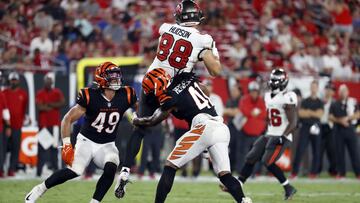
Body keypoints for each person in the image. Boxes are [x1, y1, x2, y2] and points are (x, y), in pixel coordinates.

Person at [116, 0, 222, 198]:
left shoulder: (165, 28)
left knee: (139, 129)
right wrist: (208, 52)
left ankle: (124, 170)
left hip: (150, 82)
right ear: (197, 17)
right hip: (171, 88)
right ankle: (208, 148)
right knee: (201, 102)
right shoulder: (203, 39)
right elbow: (215, 70)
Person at [25, 62, 137, 203]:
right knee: (75, 170)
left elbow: (140, 110)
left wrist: (138, 117)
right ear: (102, 78)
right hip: (87, 141)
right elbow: (67, 119)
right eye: (112, 75)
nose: (116, 78)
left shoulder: (126, 94)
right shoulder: (90, 95)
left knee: (111, 167)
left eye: (117, 75)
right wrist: (67, 145)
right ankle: (39, 190)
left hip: (107, 144)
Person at [132, 73, 252, 203]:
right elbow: (205, 90)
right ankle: (243, 201)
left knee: (170, 166)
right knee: (225, 175)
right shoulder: (187, 79)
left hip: (204, 127)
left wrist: (137, 120)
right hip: (220, 127)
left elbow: (154, 120)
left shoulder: (170, 96)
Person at [223, 69, 297, 200]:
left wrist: (282, 136)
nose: (273, 84)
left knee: (267, 161)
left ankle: (288, 187)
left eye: (275, 82)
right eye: (272, 81)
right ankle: (237, 185)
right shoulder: (268, 96)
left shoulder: (288, 96)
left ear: (283, 83)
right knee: (251, 156)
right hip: (270, 134)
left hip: (282, 136)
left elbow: (293, 122)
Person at [291, 80, 323, 178]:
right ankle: (294, 172)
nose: (313, 89)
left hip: (316, 126)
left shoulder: (320, 102)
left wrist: (308, 112)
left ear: (317, 88)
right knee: (300, 149)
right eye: (312, 86)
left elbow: (320, 114)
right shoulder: (305, 100)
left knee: (316, 150)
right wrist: (313, 113)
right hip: (305, 127)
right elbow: (301, 113)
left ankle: (313, 173)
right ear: (310, 88)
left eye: (315, 87)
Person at [35, 74, 65, 177]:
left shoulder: (57, 92)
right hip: (43, 125)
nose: (48, 82)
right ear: (44, 81)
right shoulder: (40, 93)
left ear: (52, 82)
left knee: (54, 148)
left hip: (54, 125)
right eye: (47, 80)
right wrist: (53, 105)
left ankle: (56, 170)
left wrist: (48, 104)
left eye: (50, 80)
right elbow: (40, 107)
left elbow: (62, 103)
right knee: (41, 149)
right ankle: (38, 172)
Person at [329, 84, 360, 179]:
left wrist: (347, 118)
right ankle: (341, 173)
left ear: (348, 92)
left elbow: (358, 114)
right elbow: (330, 117)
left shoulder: (353, 102)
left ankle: (358, 173)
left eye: (345, 90)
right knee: (339, 152)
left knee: (354, 152)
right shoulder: (334, 104)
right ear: (339, 93)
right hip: (338, 130)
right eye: (341, 91)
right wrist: (340, 121)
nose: (343, 93)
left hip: (350, 130)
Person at [237, 81, 266, 174]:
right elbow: (244, 110)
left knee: (256, 154)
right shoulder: (244, 99)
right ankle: (242, 171)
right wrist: (253, 113)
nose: (254, 93)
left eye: (256, 91)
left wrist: (252, 114)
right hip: (245, 133)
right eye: (252, 91)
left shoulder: (261, 101)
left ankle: (254, 173)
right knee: (243, 154)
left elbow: (265, 113)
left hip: (257, 133)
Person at [2, 72, 28, 177]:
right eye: (12, 80)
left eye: (15, 80)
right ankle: (1, 169)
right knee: (2, 149)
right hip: (5, 126)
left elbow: (24, 109)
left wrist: (22, 120)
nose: (13, 82)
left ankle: (11, 169)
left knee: (15, 149)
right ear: (9, 80)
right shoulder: (4, 92)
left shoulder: (23, 94)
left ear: (18, 81)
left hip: (17, 126)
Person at [318, 82, 337, 176]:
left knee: (332, 150)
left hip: (330, 127)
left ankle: (333, 170)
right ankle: (317, 170)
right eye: (328, 89)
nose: (329, 91)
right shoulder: (319, 101)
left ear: (333, 92)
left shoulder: (335, 102)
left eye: (331, 90)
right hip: (321, 126)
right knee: (319, 150)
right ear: (325, 90)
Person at [223, 85, 242, 171]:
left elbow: (239, 111)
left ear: (239, 91)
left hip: (240, 128)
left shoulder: (242, 100)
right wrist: (232, 111)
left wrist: (230, 111)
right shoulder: (229, 100)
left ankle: (238, 168)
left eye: (235, 90)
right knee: (230, 148)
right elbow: (224, 111)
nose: (233, 92)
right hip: (230, 127)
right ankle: (230, 168)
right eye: (232, 91)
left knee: (239, 149)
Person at [0, 71, 11, 178]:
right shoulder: (2, 94)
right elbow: (5, 113)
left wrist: (7, 126)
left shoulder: (2, 94)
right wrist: (8, 126)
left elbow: (5, 113)